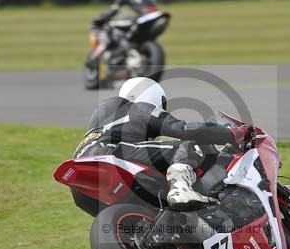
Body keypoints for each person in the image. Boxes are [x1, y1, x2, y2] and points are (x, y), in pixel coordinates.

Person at [75, 77, 251, 209]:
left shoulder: (107, 118)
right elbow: (184, 129)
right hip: (108, 153)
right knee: (188, 144)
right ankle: (180, 188)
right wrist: (232, 134)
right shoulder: (138, 108)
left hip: (80, 181)